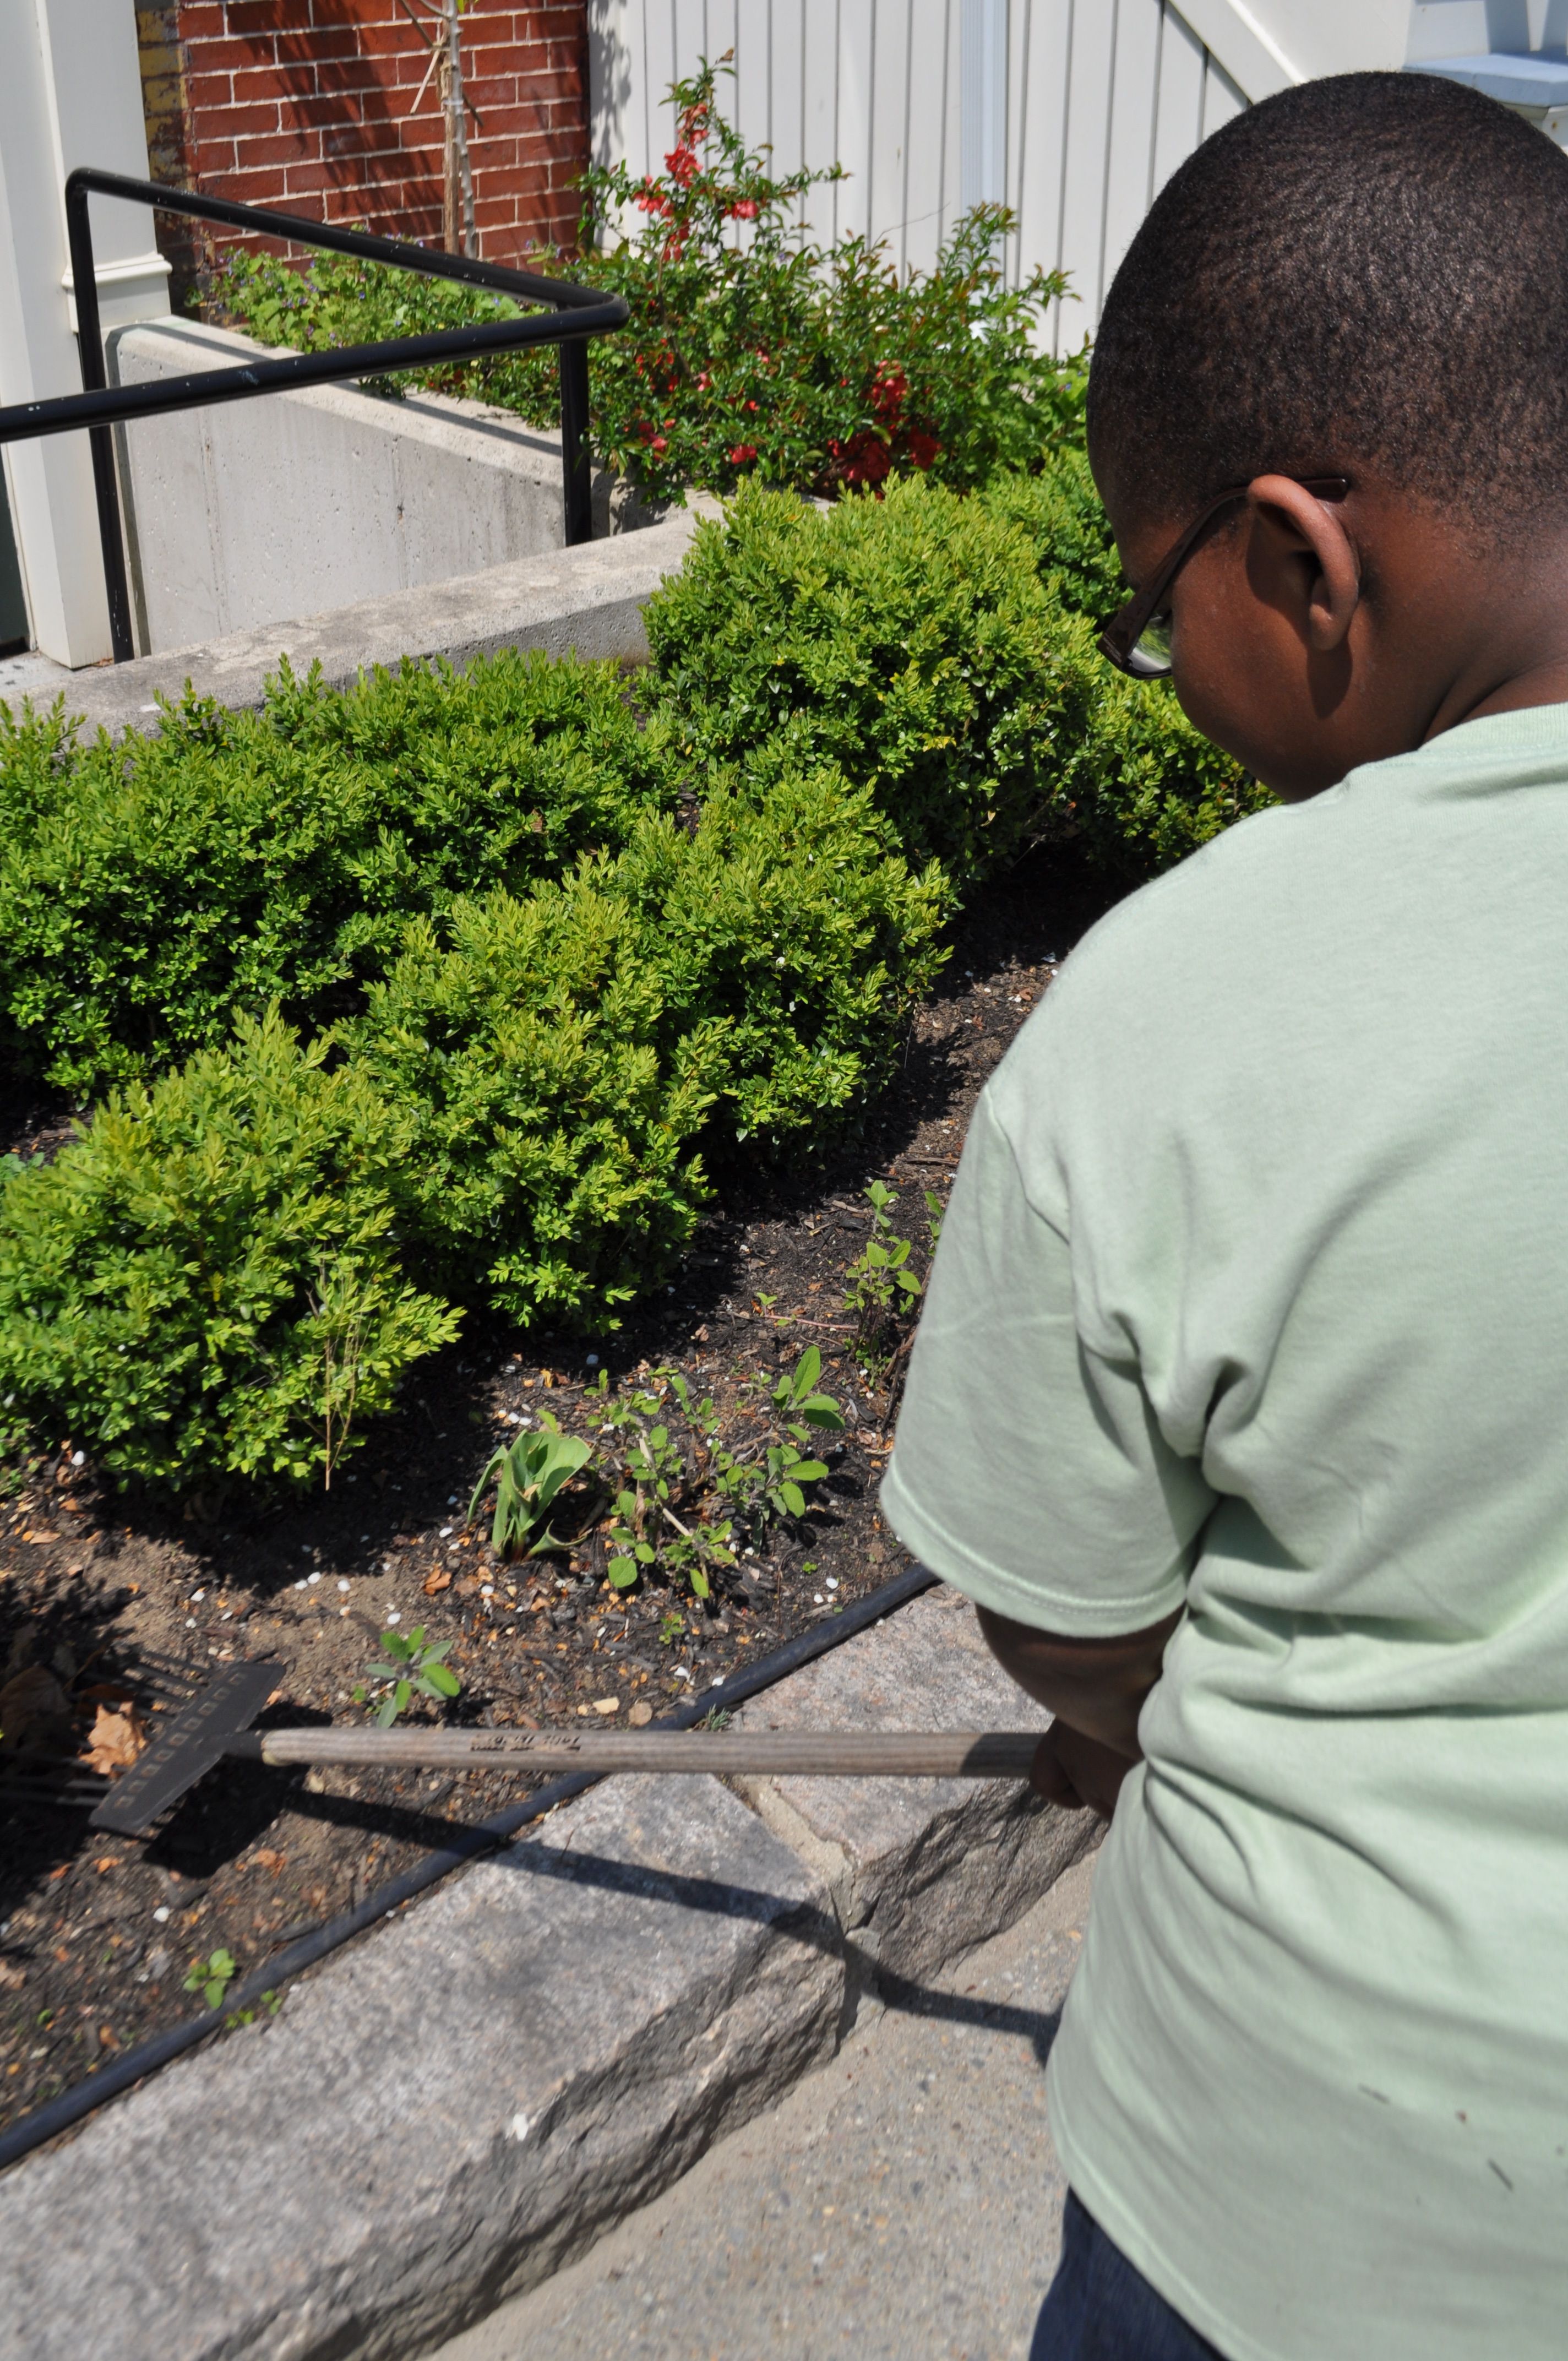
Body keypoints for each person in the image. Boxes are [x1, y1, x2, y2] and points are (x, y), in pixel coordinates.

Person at [880, 68, 1568, 2361]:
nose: (1165, 673)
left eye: (1150, 605)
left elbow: (1074, 1623)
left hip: (1320, 2215)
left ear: (1296, 558)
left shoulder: (1176, 1013)